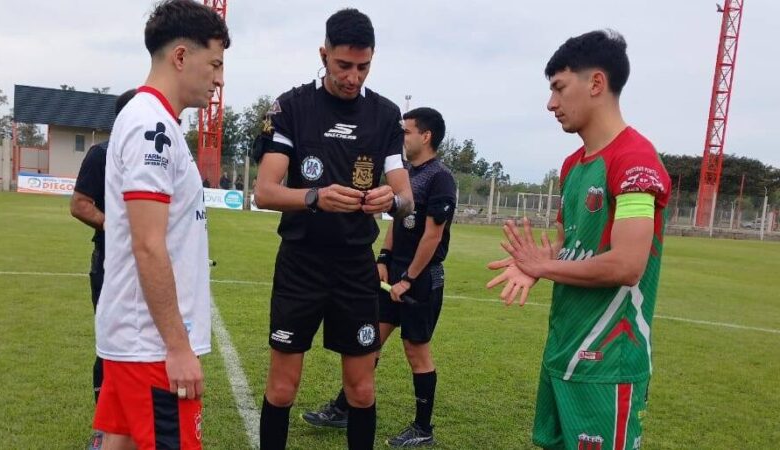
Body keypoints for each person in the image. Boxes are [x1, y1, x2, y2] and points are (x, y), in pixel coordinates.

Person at [486, 30, 671, 450]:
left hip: (608, 359)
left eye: (559, 87)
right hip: (564, 348)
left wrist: (544, 266)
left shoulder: (634, 160)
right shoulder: (573, 165)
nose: (551, 103)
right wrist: (537, 262)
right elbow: (569, 246)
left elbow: (627, 265)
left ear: (596, 83)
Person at [252, 8, 413, 450]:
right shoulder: (291, 107)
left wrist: (390, 200)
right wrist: (315, 197)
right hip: (300, 264)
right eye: (344, 65)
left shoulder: (385, 115)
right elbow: (264, 191)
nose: (353, 77)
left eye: (364, 67)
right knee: (282, 387)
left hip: (355, 268)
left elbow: (405, 197)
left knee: (361, 389)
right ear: (323, 55)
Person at [92, 1, 229, 449]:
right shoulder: (150, 125)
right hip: (151, 347)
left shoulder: (155, 122)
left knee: (119, 441)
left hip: (138, 339)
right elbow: (148, 244)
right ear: (181, 57)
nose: (219, 79)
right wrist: (177, 346)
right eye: (215, 64)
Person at [302, 107, 455, 447]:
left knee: (416, 351)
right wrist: (384, 259)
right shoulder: (407, 174)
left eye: (407, 132)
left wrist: (409, 279)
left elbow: (432, 236)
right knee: (369, 342)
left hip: (421, 279)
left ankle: (423, 429)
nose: (402, 138)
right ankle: (343, 408)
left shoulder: (440, 177)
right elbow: (398, 223)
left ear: (426, 136)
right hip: (395, 273)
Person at [70, 88, 137, 450]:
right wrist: (115, 225)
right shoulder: (101, 154)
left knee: (147, 348)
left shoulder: (157, 154)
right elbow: (80, 204)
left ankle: (140, 422)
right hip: (111, 263)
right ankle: (104, 426)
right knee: (112, 345)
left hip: (152, 265)